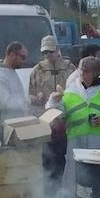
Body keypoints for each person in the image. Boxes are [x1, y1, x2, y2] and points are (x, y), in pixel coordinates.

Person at [52, 57, 100, 188]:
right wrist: (54, 101)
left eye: (86, 71)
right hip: (76, 144)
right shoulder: (70, 91)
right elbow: (58, 114)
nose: (81, 74)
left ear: (95, 73)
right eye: (80, 70)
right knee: (73, 181)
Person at [28, 35, 73, 181]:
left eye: (51, 51)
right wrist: (37, 99)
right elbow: (30, 96)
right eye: (45, 52)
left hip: (65, 121)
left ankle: (61, 188)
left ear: (57, 50)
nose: (48, 55)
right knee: (46, 158)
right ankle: (48, 190)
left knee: (62, 157)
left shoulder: (69, 68)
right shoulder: (37, 70)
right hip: (45, 121)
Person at [0, 41, 30, 131]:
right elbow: (5, 104)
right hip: (3, 128)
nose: (24, 61)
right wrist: (29, 100)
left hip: (14, 125)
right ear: (12, 55)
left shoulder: (11, 72)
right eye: (23, 57)